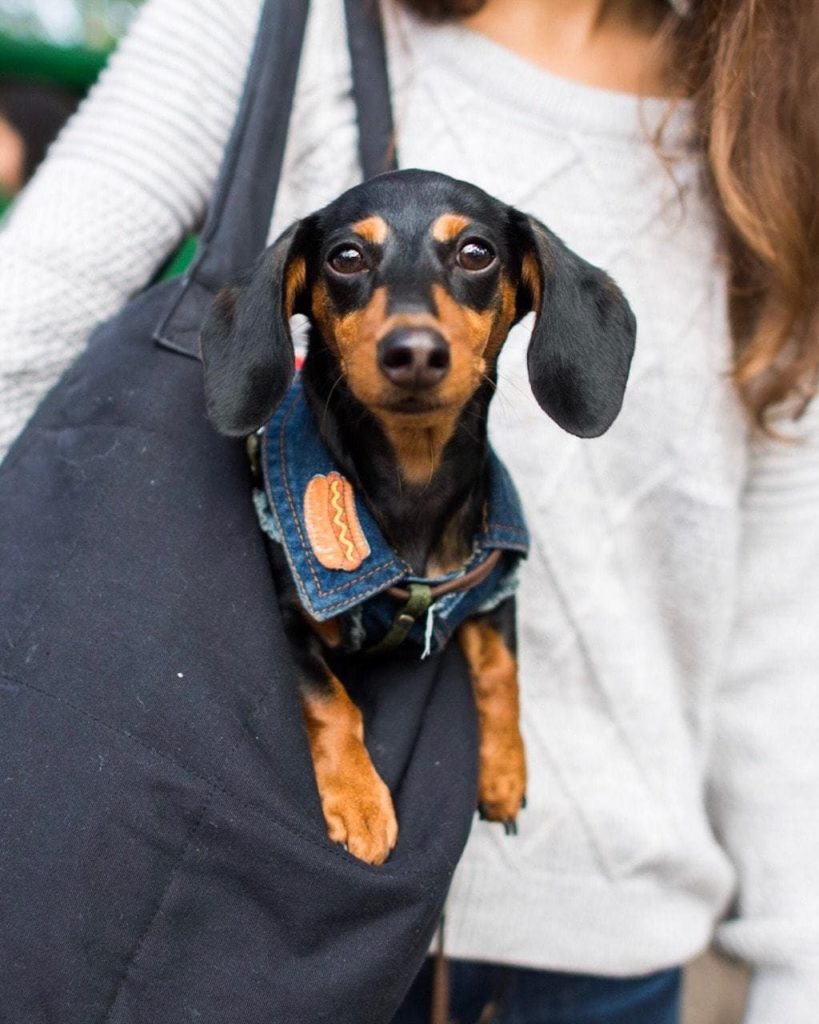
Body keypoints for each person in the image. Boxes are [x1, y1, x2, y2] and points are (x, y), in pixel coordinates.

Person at [1, 0, 817, 1022]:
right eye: (353, 266)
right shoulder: (265, 20)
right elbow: (9, 349)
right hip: (266, 913)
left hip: (616, 950)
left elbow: (785, 623)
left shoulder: (774, 119)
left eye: (470, 264)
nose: (416, 333)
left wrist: (804, 971)